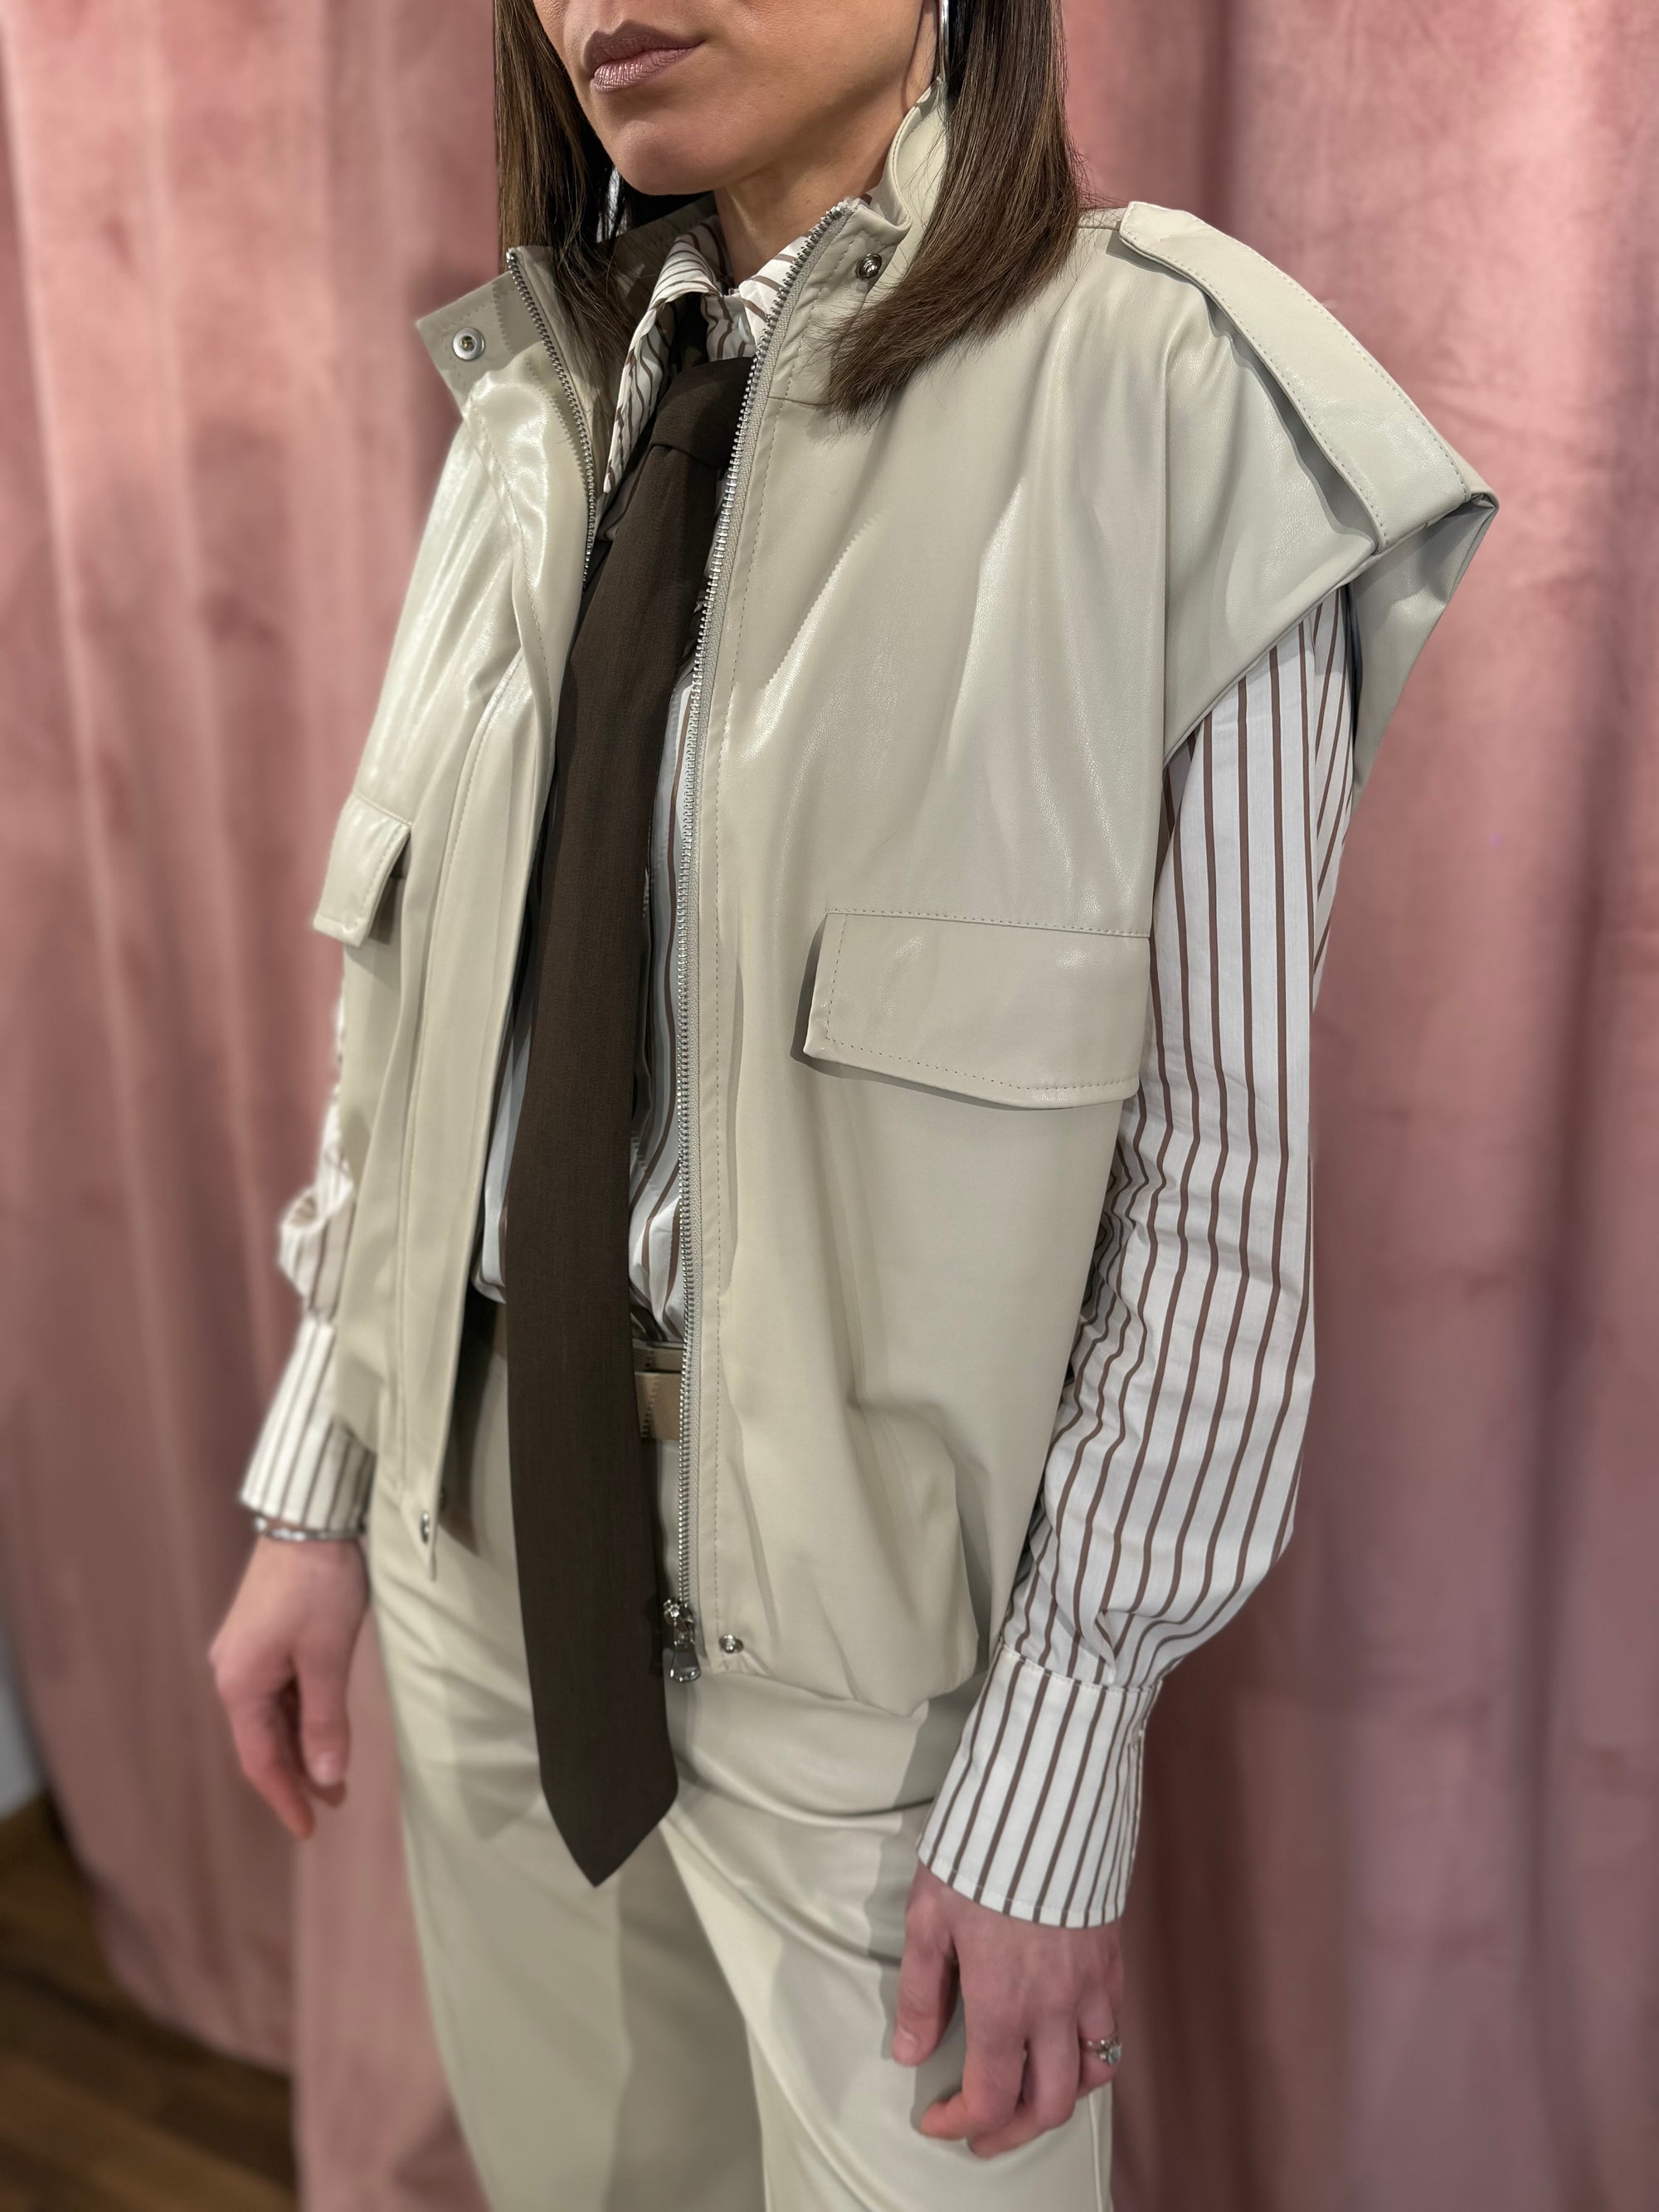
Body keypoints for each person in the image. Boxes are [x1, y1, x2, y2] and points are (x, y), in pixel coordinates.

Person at [210, 2, 1496, 2205]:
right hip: (476, 1541)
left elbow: (1217, 1185)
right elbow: (421, 1012)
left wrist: (1062, 1742)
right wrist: (321, 1479)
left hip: (874, 1673)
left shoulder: (1174, 398)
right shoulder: (539, 396)